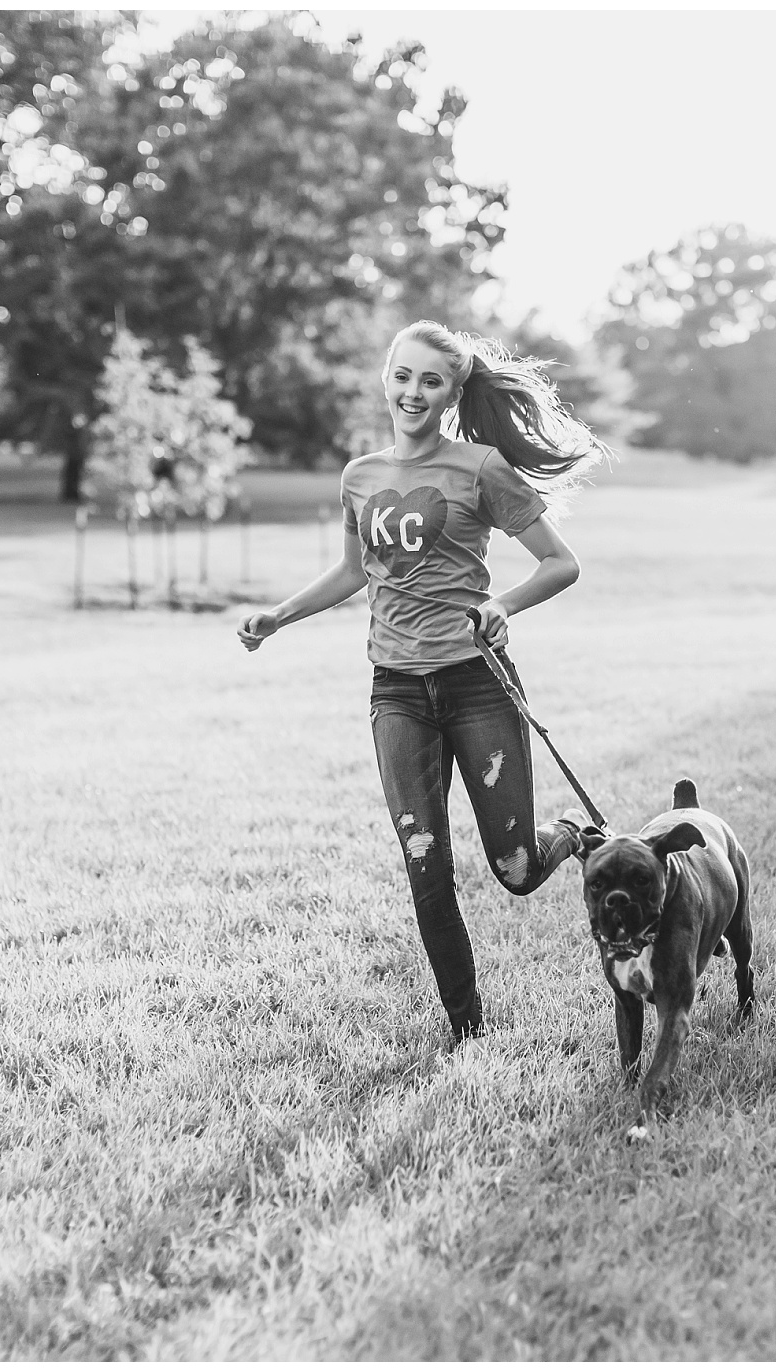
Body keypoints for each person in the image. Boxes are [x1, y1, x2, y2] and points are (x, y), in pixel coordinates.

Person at [237, 319, 611, 1045]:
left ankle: (568, 833)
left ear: (451, 392)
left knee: (515, 867)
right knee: (424, 865)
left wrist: (501, 603)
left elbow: (560, 562)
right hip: (397, 693)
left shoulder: (480, 469)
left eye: (431, 380)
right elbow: (353, 572)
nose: (413, 391)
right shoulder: (360, 477)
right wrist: (279, 616)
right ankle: (466, 1029)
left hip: (476, 683)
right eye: (402, 375)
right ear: (386, 377)